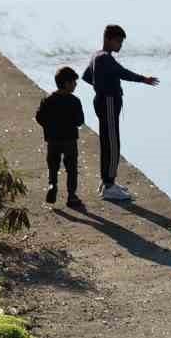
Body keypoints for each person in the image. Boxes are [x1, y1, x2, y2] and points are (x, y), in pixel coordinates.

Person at [83, 24, 158, 202]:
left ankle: (107, 181)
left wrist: (100, 85)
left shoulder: (97, 56)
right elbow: (123, 73)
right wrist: (144, 79)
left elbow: (87, 77)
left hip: (104, 101)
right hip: (108, 102)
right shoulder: (104, 58)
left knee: (108, 142)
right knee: (113, 144)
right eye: (118, 41)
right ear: (108, 39)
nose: (120, 45)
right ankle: (109, 185)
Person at [34, 66, 86, 209]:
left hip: (52, 139)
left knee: (53, 165)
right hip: (69, 140)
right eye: (74, 82)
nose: (75, 85)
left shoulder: (47, 100)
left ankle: (52, 185)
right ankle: (72, 196)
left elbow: (39, 117)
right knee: (71, 168)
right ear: (67, 83)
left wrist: (48, 127)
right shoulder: (74, 101)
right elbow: (80, 121)